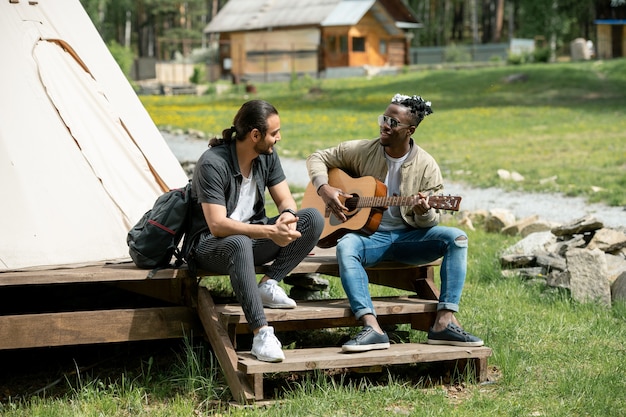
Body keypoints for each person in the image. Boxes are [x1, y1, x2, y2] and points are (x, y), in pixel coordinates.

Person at [306, 93, 483, 353]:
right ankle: (371, 327)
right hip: (370, 237)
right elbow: (317, 157)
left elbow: (429, 222)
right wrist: (324, 188)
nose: (385, 125)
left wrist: (423, 211)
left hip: (408, 239)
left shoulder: (427, 166)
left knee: (456, 238)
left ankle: (443, 322)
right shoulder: (364, 150)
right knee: (346, 247)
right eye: (384, 118)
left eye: (393, 122)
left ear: (410, 130)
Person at [186, 100, 324, 362]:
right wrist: (271, 232)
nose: (279, 138)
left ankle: (269, 282)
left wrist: (287, 218)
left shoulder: (267, 157)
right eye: (274, 133)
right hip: (209, 246)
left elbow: (286, 201)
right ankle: (261, 333)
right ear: (255, 135)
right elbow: (217, 225)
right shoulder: (212, 163)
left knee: (312, 218)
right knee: (237, 241)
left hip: (251, 240)